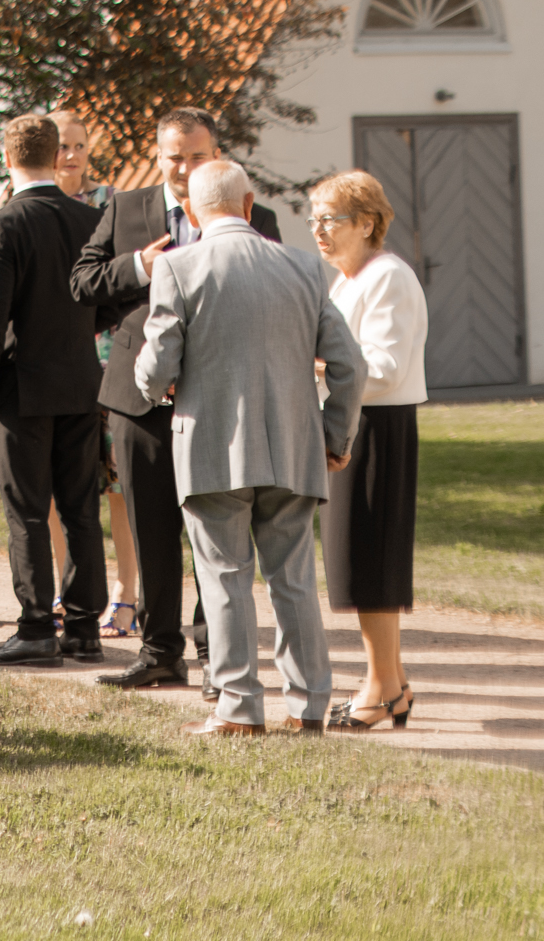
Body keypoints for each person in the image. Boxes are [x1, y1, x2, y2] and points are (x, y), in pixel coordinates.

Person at [136, 159, 365, 736]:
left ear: (189, 210)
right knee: (293, 580)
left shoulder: (177, 267)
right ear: (249, 203)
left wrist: (151, 379)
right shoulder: (304, 267)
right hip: (294, 447)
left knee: (225, 578)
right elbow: (350, 365)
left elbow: (155, 367)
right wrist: (333, 435)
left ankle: (239, 707)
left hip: (212, 447)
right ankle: (310, 705)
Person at [70, 105, 285, 694]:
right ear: (157, 154)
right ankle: (159, 650)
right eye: (175, 157)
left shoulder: (253, 214)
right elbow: (82, 283)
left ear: (214, 154)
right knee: (152, 525)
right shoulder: (127, 207)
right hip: (138, 399)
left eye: (198, 156)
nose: (186, 168)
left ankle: (220, 655)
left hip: (220, 398)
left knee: (217, 531)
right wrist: (138, 267)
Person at [0, 114, 111, 667]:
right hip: (80, 381)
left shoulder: (1, 225)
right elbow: (111, 299)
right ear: (57, 157)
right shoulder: (91, 218)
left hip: (19, 386)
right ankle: (83, 629)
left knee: (27, 510)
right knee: (80, 510)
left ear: (7, 158)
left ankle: (34, 627)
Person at [308, 168, 428, 731]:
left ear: (368, 223)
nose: (319, 230)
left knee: (372, 559)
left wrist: (317, 368)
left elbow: (383, 368)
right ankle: (392, 684)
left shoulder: (387, 277)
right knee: (355, 559)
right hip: (352, 425)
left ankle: (379, 689)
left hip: (379, 428)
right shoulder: (346, 281)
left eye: (330, 218)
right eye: (315, 219)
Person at [48, 107, 136, 638]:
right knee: (61, 491)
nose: (72, 155)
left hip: (109, 359)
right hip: (55, 364)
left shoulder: (114, 204)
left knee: (121, 486)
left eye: (79, 145)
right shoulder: (25, 204)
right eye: (61, 145)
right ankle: (66, 588)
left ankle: (128, 593)